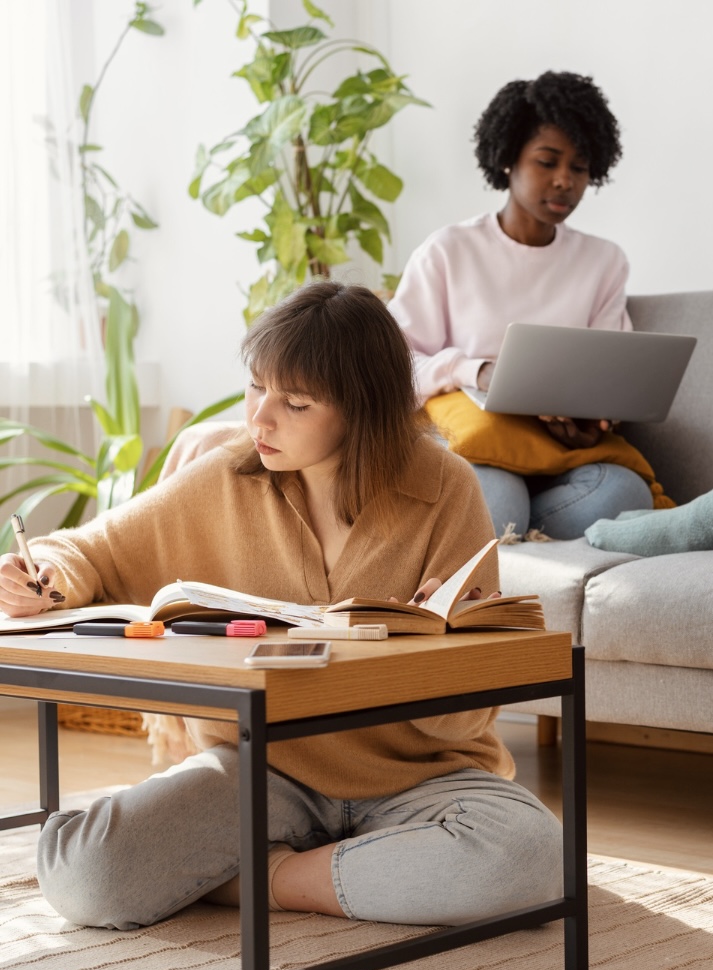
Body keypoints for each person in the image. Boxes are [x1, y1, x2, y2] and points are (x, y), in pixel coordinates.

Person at [0, 282, 562, 931]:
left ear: (362, 409)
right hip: (262, 767)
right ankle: (361, 873)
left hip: (422, 776)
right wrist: (40, 574)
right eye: (255, 388)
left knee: (530, 858)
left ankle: (268, 877)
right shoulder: (225, 476)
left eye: (294, 403)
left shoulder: (443, 488)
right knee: (87, 876)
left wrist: (427, 656)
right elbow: (90, 548)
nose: (260, 419)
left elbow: (463, 719)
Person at [389, 70, 654, 540]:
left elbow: (613, 372)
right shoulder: (448, 250)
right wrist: (475, 371)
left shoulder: (604, 261)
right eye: (547, 162)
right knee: (497, 494)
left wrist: (594, 422)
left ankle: (514, 538)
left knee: (626, 492)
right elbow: (393, 368)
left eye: (579, 167)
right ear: (508, 158)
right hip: (469, 445)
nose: (564, 181)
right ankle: (509, 540)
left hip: (558, 457)